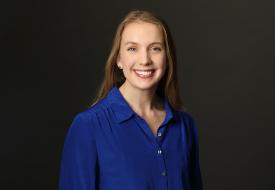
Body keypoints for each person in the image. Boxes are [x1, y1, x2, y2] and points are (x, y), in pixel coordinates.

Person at [59, 9, 203, 190]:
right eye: (132, 49)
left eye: (155, 48)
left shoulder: (185, 125)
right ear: (119, 59)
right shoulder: (88, 126)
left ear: (167, 58)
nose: (144, 60)